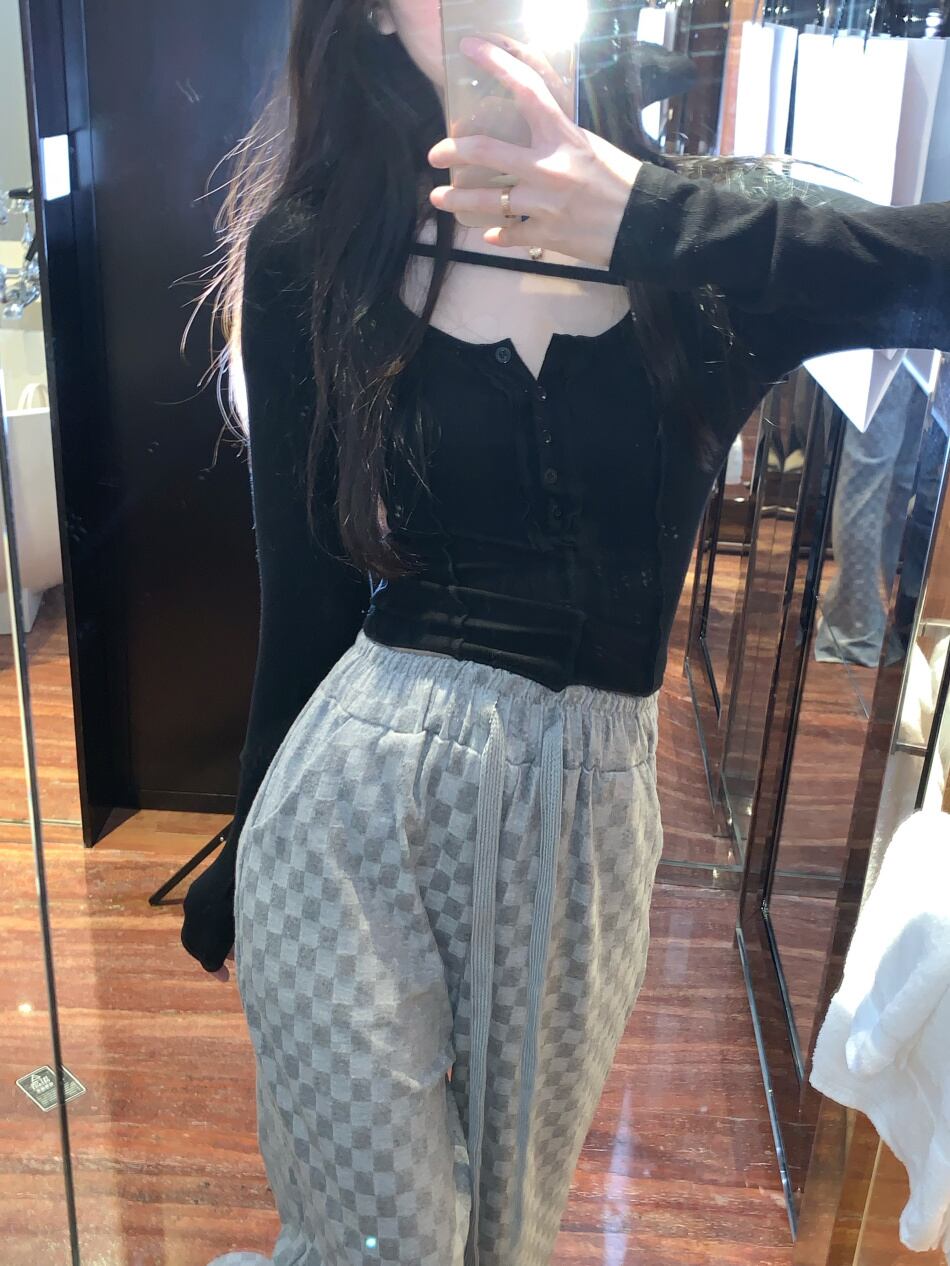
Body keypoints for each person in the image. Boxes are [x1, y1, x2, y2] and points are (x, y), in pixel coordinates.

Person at [179, 2, 950, 1263]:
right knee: (385, 1244)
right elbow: (307, 602)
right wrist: (244, 847)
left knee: (501, 1238)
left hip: (579, 841)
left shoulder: (708, 243)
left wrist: (647, 221)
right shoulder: (317, 246)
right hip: (343, 827)